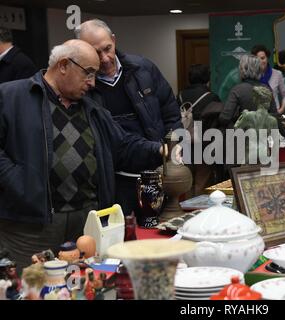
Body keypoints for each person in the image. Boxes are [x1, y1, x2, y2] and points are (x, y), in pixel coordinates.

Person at [0, 39, 165, 272]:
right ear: (64, 65)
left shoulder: (93, 107)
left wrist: (160, 150)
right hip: (30, 227)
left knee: (88, 287)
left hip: (87, 224)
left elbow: (124, 145)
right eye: (88, 73)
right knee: (34, 288)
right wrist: (18, 182)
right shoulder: (11, 97)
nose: (92, 82)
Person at [74, 19, 182, 218]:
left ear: (114, 40)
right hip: (115, 180)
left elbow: (170, 111)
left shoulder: (143, 69)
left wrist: (175, 145)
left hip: (156, 171)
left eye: (108, 48)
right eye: (96, 53)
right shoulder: (83, 87)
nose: (105, 58)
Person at [219, 54, 285, 146]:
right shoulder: (267, 90)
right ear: (259, 69)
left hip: (240, 144)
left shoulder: (237, 90)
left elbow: (224, 118)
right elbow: (275, 118)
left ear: (242, 69)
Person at [177, 64, 223, 195]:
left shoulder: (180, 96)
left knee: (185, 182)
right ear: (207, 79)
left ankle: (186, 211)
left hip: (184, 143)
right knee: (201, 183)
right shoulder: (212, 97)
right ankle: (198, 211)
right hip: (204, 145)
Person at [251, 45, 285, 114]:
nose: (260, 61)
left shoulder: (277, 74)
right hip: (257, 116)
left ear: (267, 58)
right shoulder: (251, 75)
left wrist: (281, 110)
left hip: (274, 114)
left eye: (263, 58)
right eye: (257, 59)